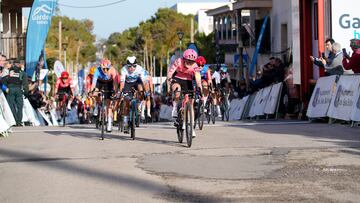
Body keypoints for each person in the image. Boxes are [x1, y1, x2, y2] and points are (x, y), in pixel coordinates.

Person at [167, 48, 202, 137]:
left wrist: (199, 88)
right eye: (188, 61)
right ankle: (175, 108)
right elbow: (170, 72)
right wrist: (169, 80)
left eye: (192, 61)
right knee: (177, 90)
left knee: (191, 103)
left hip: (188, 81)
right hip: (177, 78)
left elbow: (198, 79)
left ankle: (191, 127)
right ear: (184, 58)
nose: (190, 63)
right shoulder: (178, 61)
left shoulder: (195, 66)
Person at [119, 56, 146, 132]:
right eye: (129, 66)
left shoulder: (140, 69)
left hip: (137, 83)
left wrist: (146, 91)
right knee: (126, 102)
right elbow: (122, 82)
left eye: (134, 66)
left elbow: (144, 81)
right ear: (127, 66)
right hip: (127, 84)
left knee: (141, 89)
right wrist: (121, 91)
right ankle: (126, 124)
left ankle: (139, 104)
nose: (132, 68)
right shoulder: (124, 69)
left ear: (136, 65)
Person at [91, 59, 118, 132]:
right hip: (100, 82)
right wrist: (92, 91)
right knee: (95, 93)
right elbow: (94, 83)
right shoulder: (97, 70)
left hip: (109, 83)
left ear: (110, 67)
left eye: (107, 69)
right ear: (101, 67)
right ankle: (97, 105)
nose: (105, 70)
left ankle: (109, 123)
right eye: (104, 69)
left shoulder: (113, 71)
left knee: (108, 103)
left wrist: (115, 92)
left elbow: (115, 83)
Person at [2, 61, 29, 126]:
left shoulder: (9, 72)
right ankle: (19, 122)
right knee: (20, 107)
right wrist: (26, 93)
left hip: (10, 89)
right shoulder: (22, 73)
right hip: (19, 89)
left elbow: (2, 80)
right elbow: (25, 84)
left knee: (11, 106)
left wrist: (5, 89)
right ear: (19, 65)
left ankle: (14, 120)